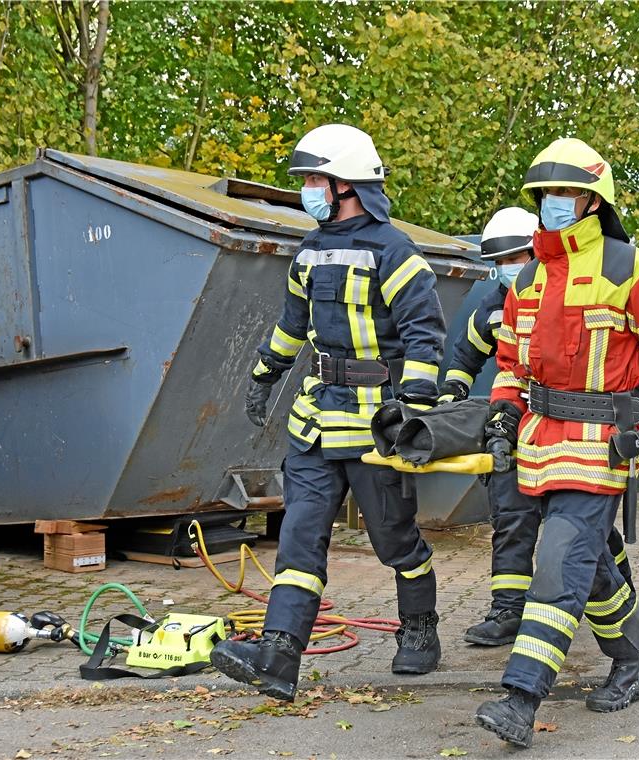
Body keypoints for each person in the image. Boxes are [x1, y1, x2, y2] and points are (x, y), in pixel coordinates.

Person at [474, 138, 639, 748]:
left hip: (599, 442)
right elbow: (510, 362)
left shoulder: (628, 268)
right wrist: (503, 419)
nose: (552, 204)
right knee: (589, 567)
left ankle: (520, 697)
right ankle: (633, 658)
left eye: (564, 194)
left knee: (558, 562)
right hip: (538, 439)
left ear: (592, 200)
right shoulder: (528, 275)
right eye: (545, 195)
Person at [210, 124, 447, 700]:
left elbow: (425, 336)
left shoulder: (395, 252)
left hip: (375, 425)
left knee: (393, 538)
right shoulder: (308, 251)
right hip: (316, 423)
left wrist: (412, 410)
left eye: (316, 179)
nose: (308, 190)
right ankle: (279, 654)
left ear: (348, 186)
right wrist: (266, 373)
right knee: (299, 538)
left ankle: (419, 629)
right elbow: (292, 326)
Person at [444, 208, 634, 647]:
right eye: (501, 263)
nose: (510, 270)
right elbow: (464, 360)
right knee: (511, 518)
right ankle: (509, 609)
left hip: (570, 431)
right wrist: (450, 405)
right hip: (514, 430)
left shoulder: (575, 295)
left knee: (583, 526)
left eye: (516, 258)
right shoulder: (494, 308)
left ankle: (618, 593)